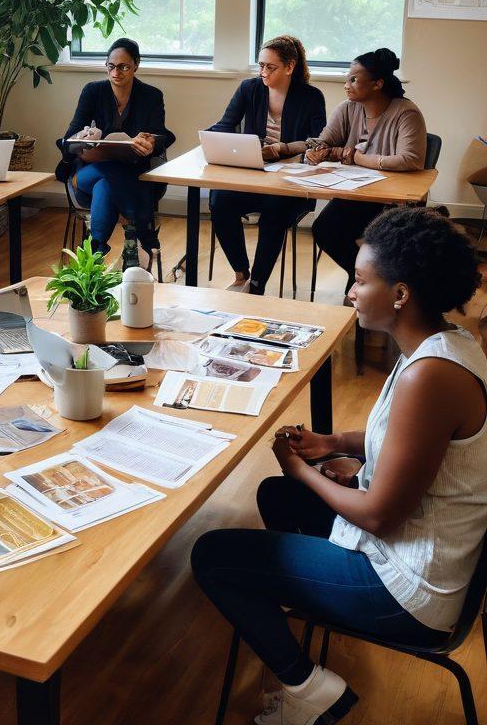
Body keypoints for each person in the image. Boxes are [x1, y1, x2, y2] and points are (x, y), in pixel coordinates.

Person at [192, 207, 486, 725]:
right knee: (276, 497)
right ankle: (313, 603)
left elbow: (378, 517)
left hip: (411, 590)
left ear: (400, 295)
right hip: (420, 548)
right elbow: (404, 440)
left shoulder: (430, 376)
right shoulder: (446, 344)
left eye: (360, 280)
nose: (350, 291)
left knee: (213, 554)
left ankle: (309, 689)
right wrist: (332, 442)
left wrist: (303, 469)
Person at [208, 35, 327, 294]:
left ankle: (257, 285)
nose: (262, 72)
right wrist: (208, 139)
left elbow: (318, 141)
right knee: (219, 200)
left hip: (291, 180)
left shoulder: (311, 96)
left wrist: (283, 149)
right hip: (255, 174)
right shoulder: (249, 89)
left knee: (274, 212)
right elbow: (226, 124)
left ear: (289, 66)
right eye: (260, 65)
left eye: (269, 67)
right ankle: (241, 274)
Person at [309, 47, 427, 290]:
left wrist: (359, 158)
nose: (347, 85)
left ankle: (368, 281)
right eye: (346, 79)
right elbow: (326, 140)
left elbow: (410, 159)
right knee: (324, 229)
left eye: (354, 79)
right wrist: (316, 150)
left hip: (392, 200)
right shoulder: (347, 108)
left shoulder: (406, 113)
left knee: (380, 241)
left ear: (377, 83)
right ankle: (365, 278)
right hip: (356, 193)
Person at [57, 38, 175, 259]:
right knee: (107, 175)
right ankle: (144, 235)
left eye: (124, 66)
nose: (116, 72)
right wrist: (83, 138)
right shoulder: (93, 91)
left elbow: (161, 136)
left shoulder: (151, 96)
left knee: (107, 185)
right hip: (88, 175)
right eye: (111, 66)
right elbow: (68, 138)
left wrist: (149, 143)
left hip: (129, 173)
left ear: (136, 65)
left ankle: (95, 253)